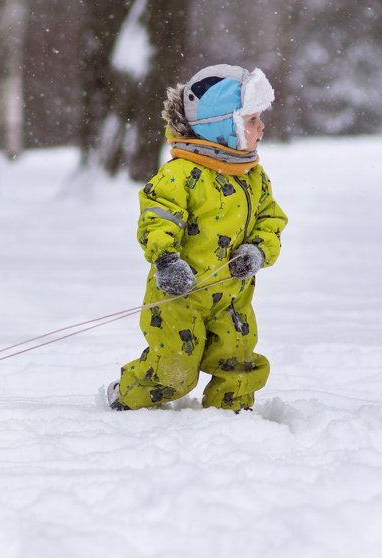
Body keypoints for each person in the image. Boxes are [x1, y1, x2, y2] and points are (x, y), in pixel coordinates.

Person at [108, 64, 288, 413]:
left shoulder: (253, 177)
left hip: (232, 295)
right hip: (179, 294)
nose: (261, 126)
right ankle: (128, 395)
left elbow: (271, 219)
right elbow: (157, 219)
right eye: (251, 119)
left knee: (239, 361)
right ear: (222, 127)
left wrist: (258, 250)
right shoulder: (180, 175)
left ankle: (231, 414)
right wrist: (166, 261)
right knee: (173, 370)